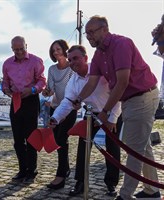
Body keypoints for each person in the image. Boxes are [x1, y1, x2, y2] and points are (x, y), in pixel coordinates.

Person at [77, 15, 160, 200]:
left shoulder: (122, 44)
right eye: (86, 32)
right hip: (130, 100)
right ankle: (151, 190)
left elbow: (122, 82)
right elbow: (91, 83)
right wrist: (77, 99)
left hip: (143, 96)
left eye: (92, 32)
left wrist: (105, 111)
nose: (88, 36)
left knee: (133, 149)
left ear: (104, 29)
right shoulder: (99, 54)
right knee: (142, 146)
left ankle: (125, 195)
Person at [48, 45, 122, 196]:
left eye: (76, 58)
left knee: (112, 147)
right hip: (91, 114)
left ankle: (111, 183)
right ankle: (80, 182)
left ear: (86, 58)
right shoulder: (73, 80)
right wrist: (55, 118)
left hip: (111, 111)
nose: (72, 62)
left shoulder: (100, 72)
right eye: (70, 60)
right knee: (83, 146)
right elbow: (67, 102)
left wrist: (113, 118)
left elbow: (117, 94)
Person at [2, 36, 46, 182]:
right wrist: (7, 90)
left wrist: (33, 90)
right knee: (18, 138)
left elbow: (42, 81)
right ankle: (22, 169)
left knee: (31, 137)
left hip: (31, 100)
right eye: (16, 50)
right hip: (15, 100)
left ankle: (31, 170)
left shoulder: (36, 61)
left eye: (21, 49)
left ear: (26, 46)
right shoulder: (7, 63)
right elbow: (5, 82)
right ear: (12, 48)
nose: (19, 52)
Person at [41, 39, 76, 189]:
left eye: (58, 49)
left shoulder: (72, 68)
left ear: (65, 50)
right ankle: (66, 168)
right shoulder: (52, 69)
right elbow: (51, 90)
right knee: (58, 140)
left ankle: (61, 174)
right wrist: (46, 92)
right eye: (53, 50)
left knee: (62, 138)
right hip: (56, 108)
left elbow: (76, 88)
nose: (56, 52)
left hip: (69, 108)